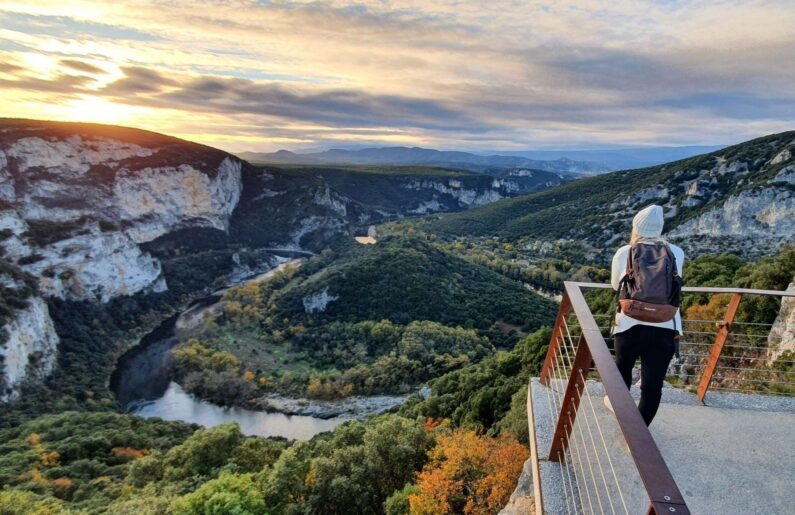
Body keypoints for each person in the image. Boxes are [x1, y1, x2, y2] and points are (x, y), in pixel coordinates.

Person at [607, 204, 684, 426]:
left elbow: (615, 286)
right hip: (666, 326)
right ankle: (639, 436)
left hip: (629, 325)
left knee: (622, 375)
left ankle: (621, 414)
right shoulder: (676, 252)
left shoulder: (625, 251)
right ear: (660, 229)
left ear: (636, 228)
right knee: (652, 386)